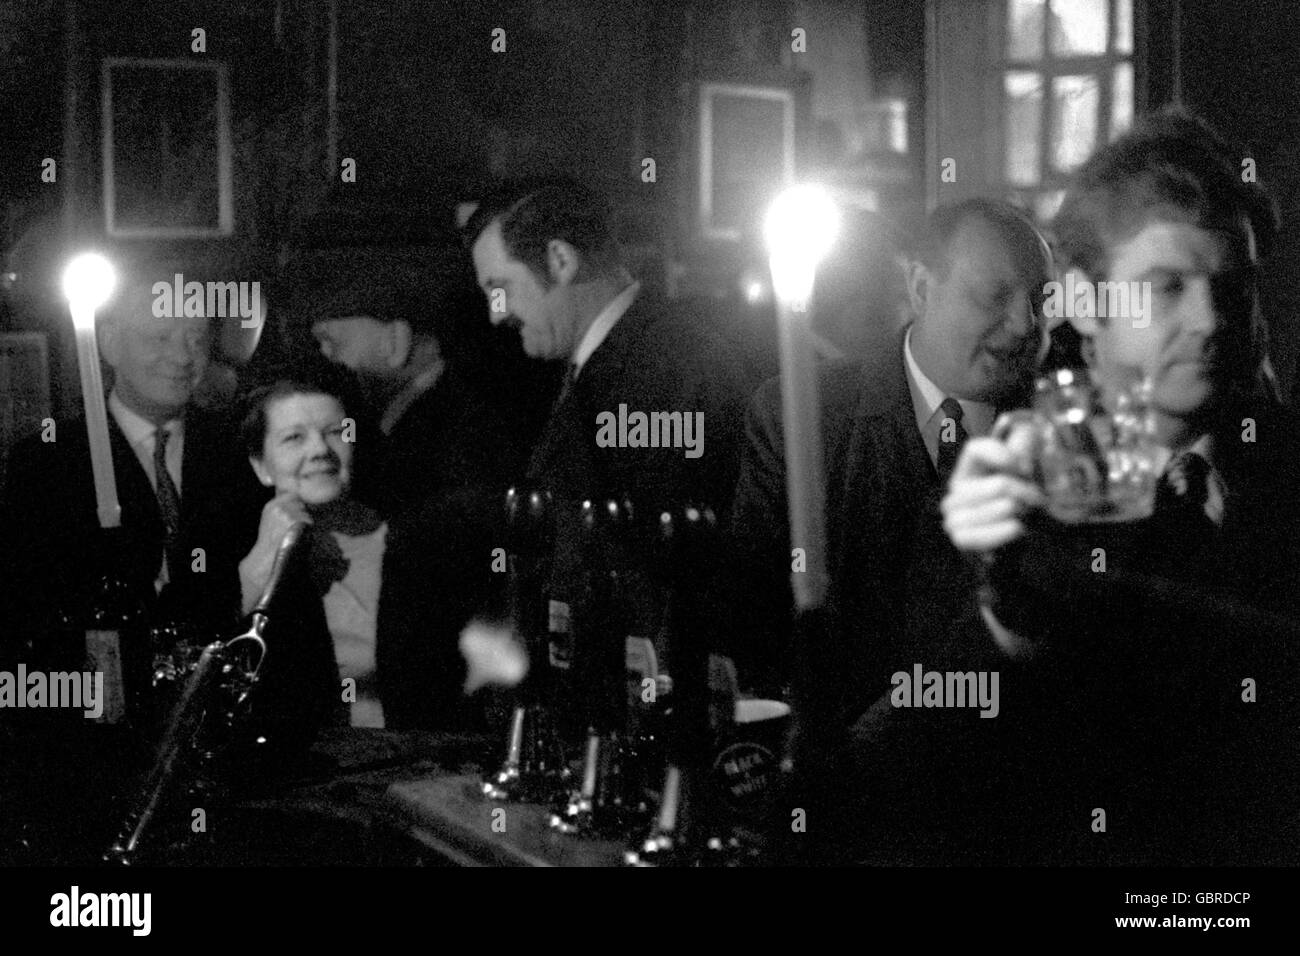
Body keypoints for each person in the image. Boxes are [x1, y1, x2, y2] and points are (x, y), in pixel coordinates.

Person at [941, 110, 1300, 864]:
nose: (1209, 322)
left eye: (1231, 290)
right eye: (1166, 287)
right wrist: (1007, 616)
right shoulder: (1001, 482)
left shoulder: (1282, 464)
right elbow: (910, 768)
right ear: (1084, 301)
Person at [725, 199, 1051, 712]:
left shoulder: (1064, 431)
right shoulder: (804, 413)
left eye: (1040, 299)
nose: (1025, 325)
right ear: (922, 289)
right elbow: (751, 608)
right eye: (996, 297)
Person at [464, 177, 751, 663]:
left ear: (560, 260)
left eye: (500, 288)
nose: (497, 316)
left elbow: (660, 557)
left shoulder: (667, 366)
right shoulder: (611, 360)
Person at [1, 263, 260, 649]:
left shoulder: (240, 448)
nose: (182, 357)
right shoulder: (48, 462)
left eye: (196, 339)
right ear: (109, 344)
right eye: (159, 338)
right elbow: (27, 605)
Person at [236, 366, 493, 741]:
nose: (320, 450)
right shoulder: (236, 550)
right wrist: (262, 562)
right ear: (261, 466)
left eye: (336, 433)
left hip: (411, 768)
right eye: (294, 438)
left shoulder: (414, 544)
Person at [295, 245, 518, 521]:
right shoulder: (391, 416)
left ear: (396, 339)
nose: (327, 355)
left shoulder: (464, 428)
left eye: (333, 341)